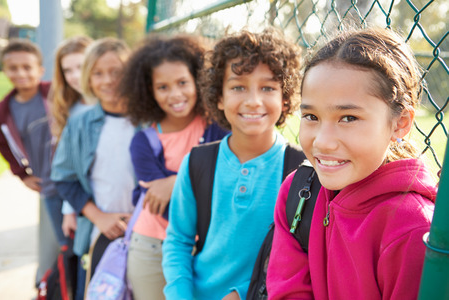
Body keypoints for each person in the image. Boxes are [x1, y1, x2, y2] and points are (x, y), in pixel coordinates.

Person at [267, 27, 437, 299]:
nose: (322, 142)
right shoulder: (298, 192)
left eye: (348, 118)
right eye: (311, 116)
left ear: (400, 123)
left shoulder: (412, 230)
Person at [161, 29, 303, 300]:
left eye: (268, 88)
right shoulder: (198, 163)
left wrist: (243, 292)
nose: (253, 101)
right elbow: (178, 242)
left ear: (284, 99)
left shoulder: (301, 172)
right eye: (238, 87)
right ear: (219, 97)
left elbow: (299, 259)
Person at [120, 34, 228, 300]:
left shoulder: (216, 127)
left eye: (182, 82)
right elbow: (161, 203)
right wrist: (193, 181)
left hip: (209, 246)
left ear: (199, 81)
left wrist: (173, 182)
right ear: (149, 91)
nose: (175, 94)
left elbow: (225, 178)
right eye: (163, 87)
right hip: (151, 246)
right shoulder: (144, 142)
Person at [50, 37, 134, 292]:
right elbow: (63, 177)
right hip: (98, 234)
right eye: (98, 73)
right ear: (88, 78)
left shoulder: (150, 121)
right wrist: (99, 217)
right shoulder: (79, 125)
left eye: (116, 72)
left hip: (145, 232)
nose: (107, 80)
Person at [0, 38, 60, 284]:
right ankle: (47, 286)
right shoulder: (4, 111)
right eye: (13, 68)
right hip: (47, 185)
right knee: (53, 243)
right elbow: (3, 144)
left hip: (77, 180)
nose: (21, 73)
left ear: (40, 70)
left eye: (27, 67)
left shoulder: (56, 94)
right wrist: (22, 174)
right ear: (4, 71)